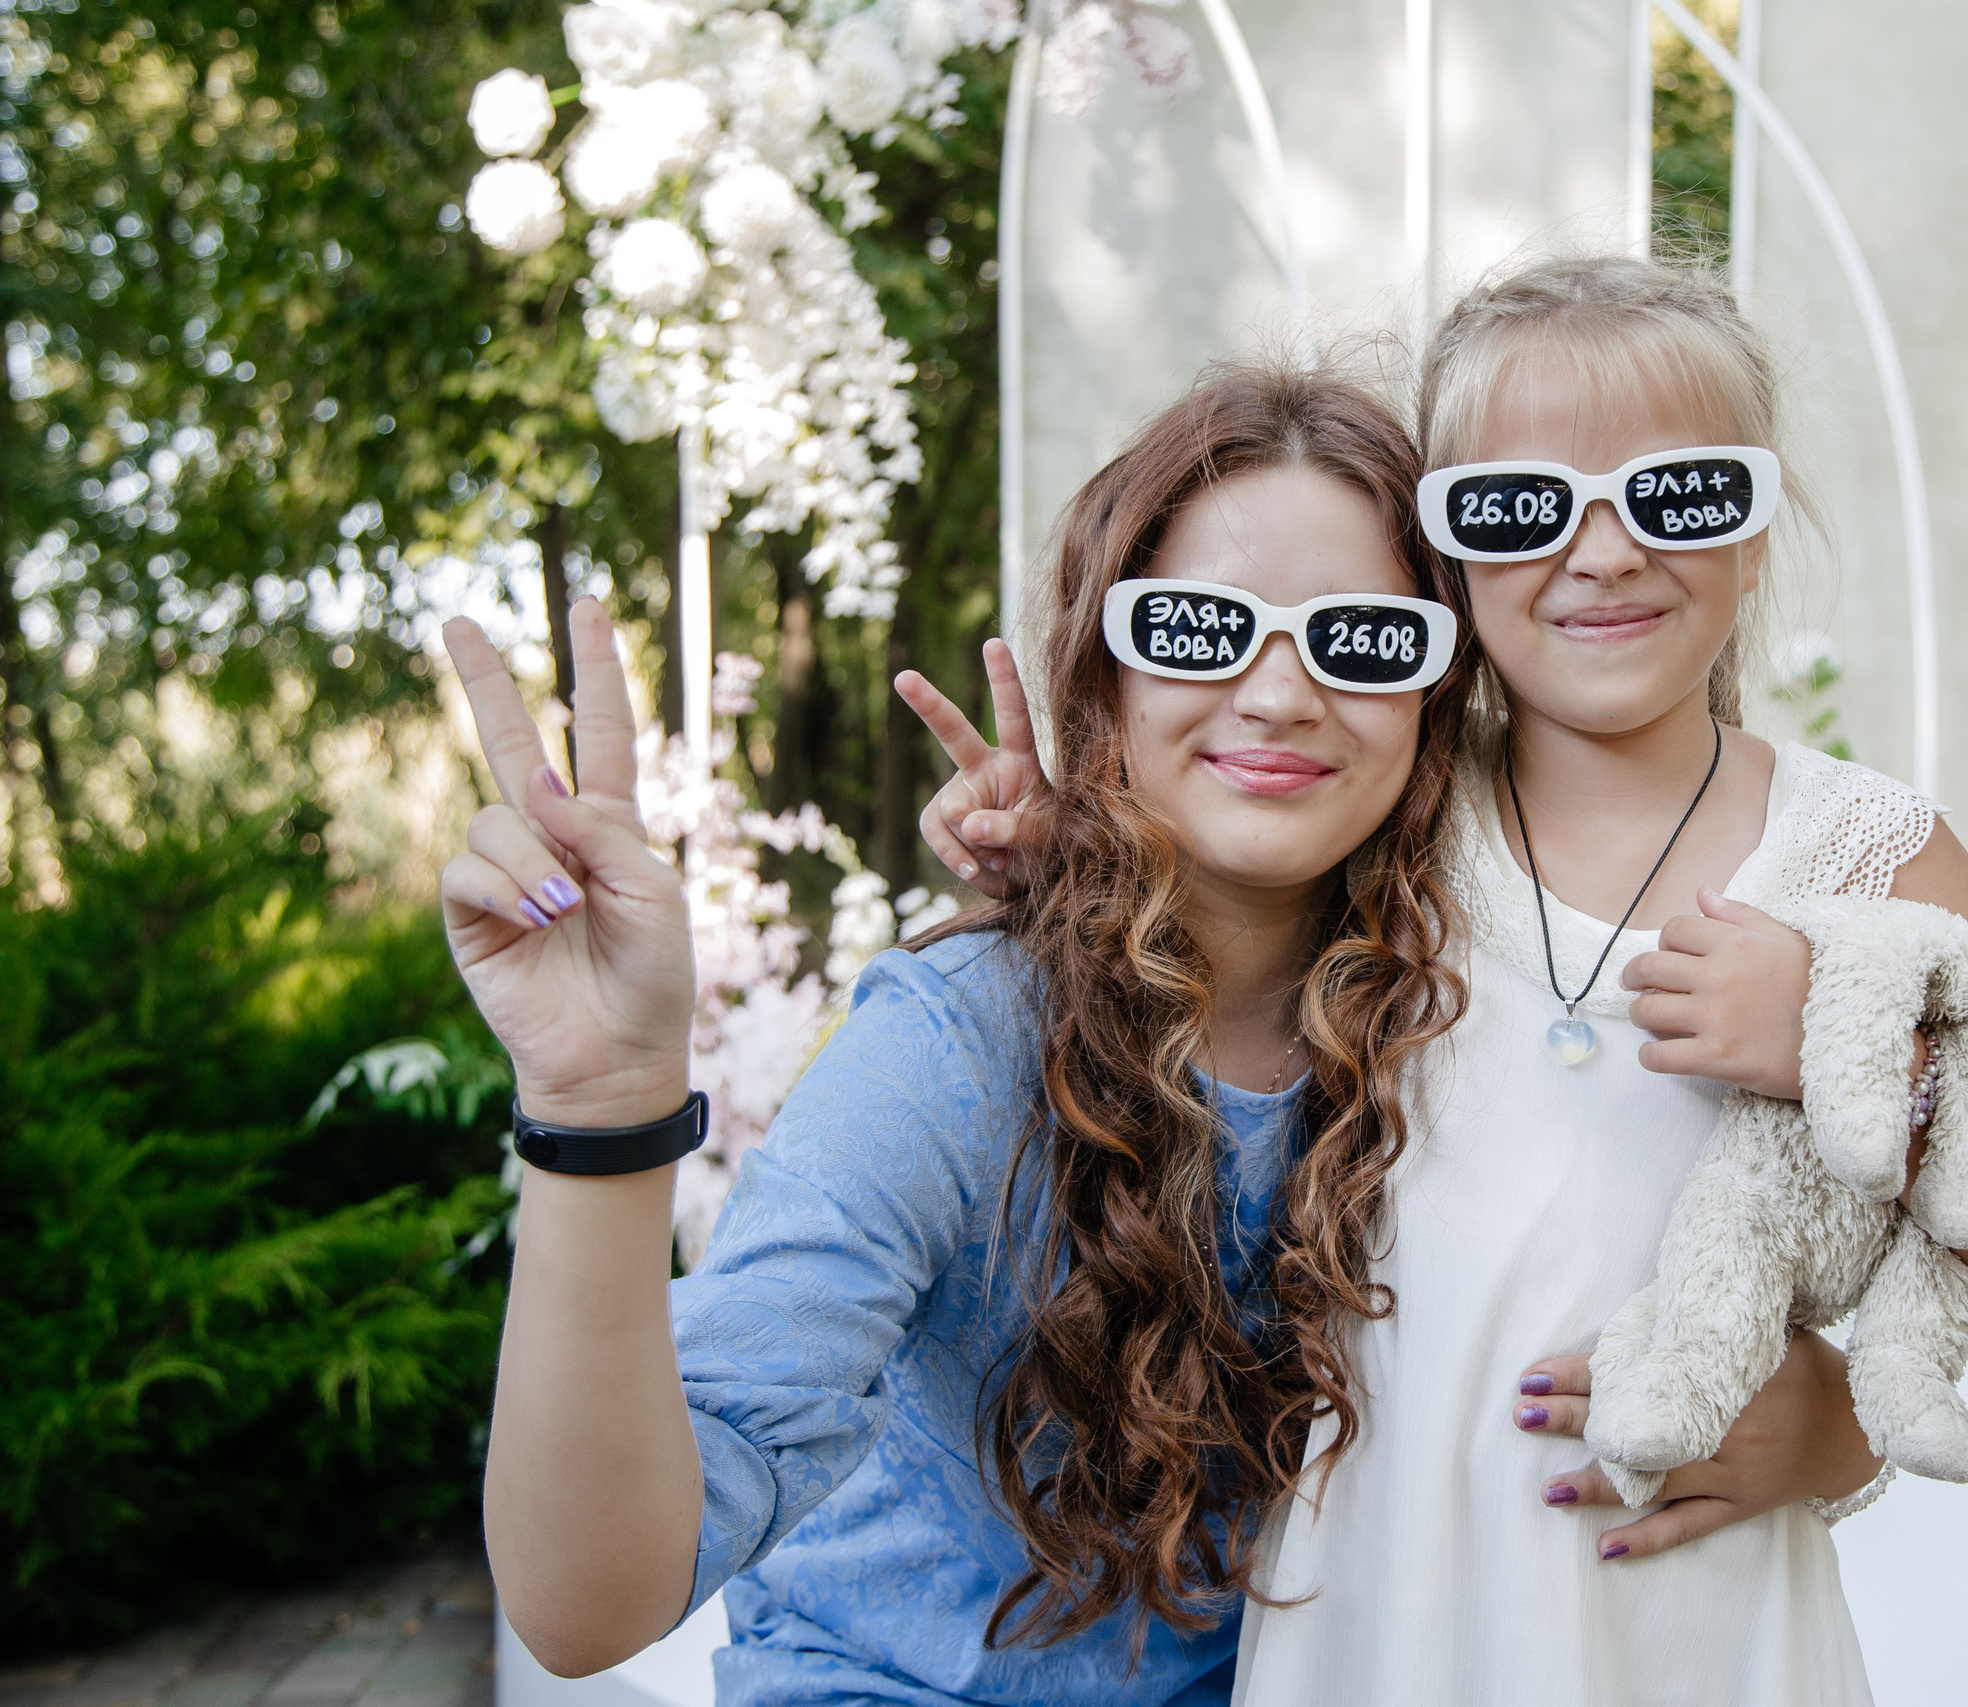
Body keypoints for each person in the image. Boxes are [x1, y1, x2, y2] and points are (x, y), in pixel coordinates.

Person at [445, 361, 1873, 1707]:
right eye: (1195, 631)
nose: (1277, 693)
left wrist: (1840, 1420)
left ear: (1440, 706)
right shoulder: (957, 1048)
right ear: (1103, 674)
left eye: (1363, 641)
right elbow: (593, 1605)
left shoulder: (1475, 1011)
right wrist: (603, 1108)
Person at [917, 257, 1968, 1704]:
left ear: (1758, 533)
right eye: (1519, 507)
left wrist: (1848, 1060)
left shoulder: (1875, 860)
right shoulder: (1372, 823)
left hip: (1684, 1609)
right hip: (1383, 1601)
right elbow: (1177, 946)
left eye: (1681, 494)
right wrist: (1055, 836)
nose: (1608, 551)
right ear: (1442, 559)